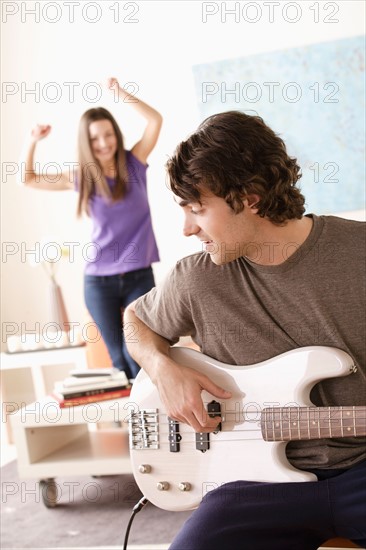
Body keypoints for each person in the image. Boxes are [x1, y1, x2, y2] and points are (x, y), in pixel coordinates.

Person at [124, 111, 366, 549]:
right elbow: (135, 321)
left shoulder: (359, 253)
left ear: (250, 198)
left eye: (198, 209)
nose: (187, 228)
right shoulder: (196, 278)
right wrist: (162, 368)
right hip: (255, 484)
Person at [22, 78, 162, 380]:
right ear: (86, 142)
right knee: (119, 362)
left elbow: (155, 120)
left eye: (108, 134)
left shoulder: (134, 162)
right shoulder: (82, 177)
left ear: (116, 133)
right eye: (95, 138)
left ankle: (158, 421)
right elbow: (29, 178)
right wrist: (32, 140)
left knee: (137, 355)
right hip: (99, 282)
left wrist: (122, 93)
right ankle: (133, 426)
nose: (103, 143)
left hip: (139, 276)